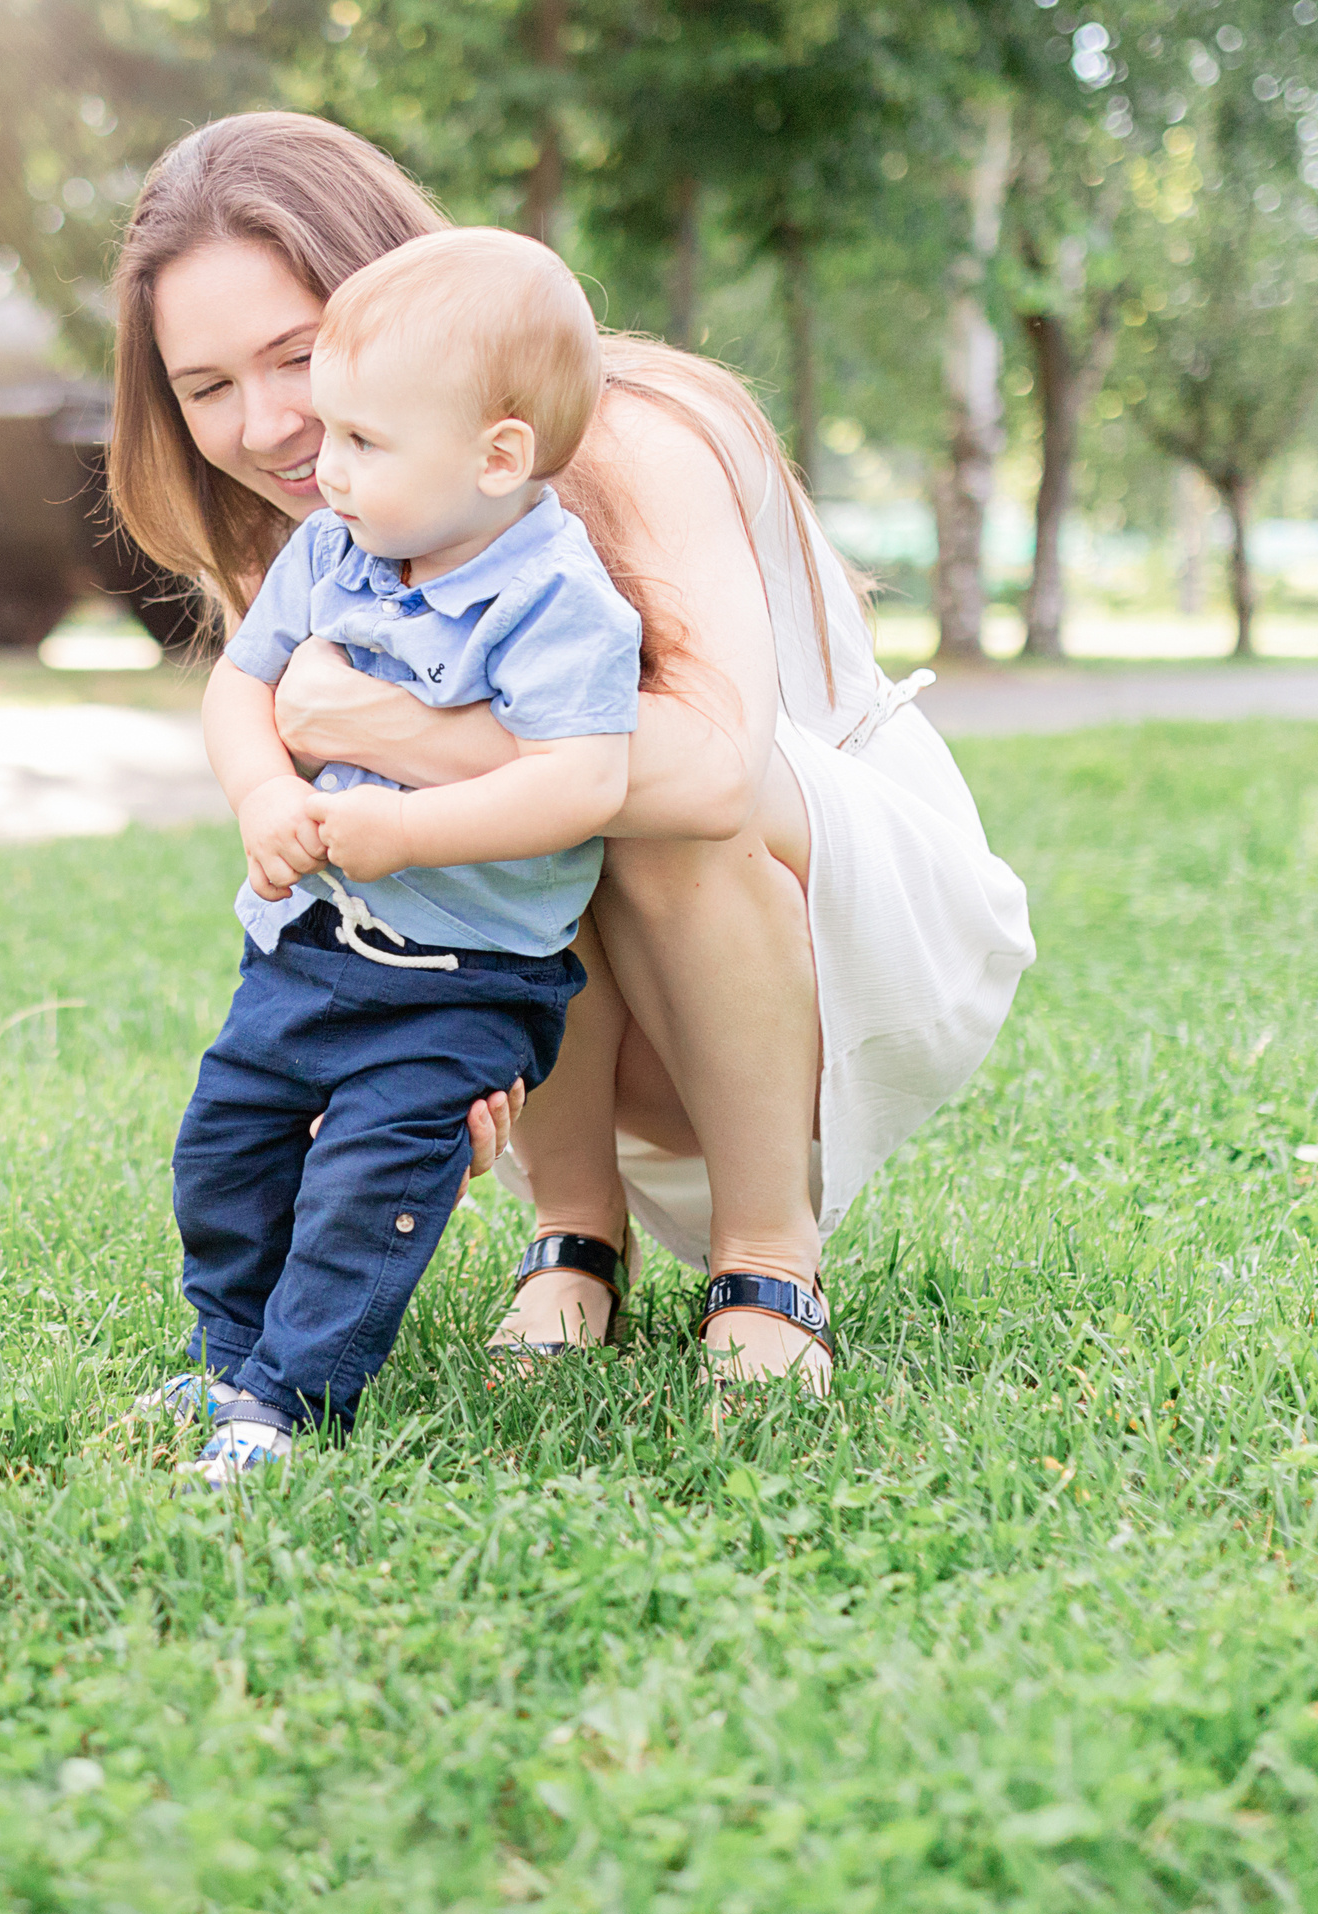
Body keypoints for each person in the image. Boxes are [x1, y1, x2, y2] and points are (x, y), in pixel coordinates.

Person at [109, 113, 1035, 1393]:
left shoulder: (632, 430)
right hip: (611, 985)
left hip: (843, 917)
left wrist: (359, 725)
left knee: (622, 794)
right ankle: (571, 1238)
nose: (271, 425)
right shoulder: (347, 509)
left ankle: (770, 1259)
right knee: (511, 830)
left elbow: (714, 771)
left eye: (297, 355)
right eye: (206, 387)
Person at [147, 227, 642, 1483]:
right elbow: (239, 688)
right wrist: (264, 790)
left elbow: (584, 780)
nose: (329, 466)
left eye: (364, 442)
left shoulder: (555, 601)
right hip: (307, 949)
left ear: (497, 456)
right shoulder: (331, 549)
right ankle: (232, 1355)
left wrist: (408, 829)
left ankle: (289, 1407)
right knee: (226, 1150)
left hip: (461, 980)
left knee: (367, 1186)